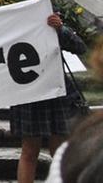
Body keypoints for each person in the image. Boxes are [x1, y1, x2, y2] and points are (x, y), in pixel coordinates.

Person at [10, 10, 88, 183]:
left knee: (58, 150)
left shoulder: (53, 27)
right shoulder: (12, 31)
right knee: (30, 151)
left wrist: (60, 29)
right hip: (29, 95)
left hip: (56, 92)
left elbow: (80, 47)